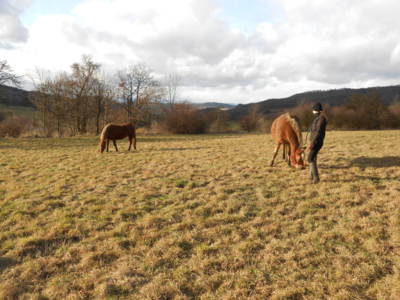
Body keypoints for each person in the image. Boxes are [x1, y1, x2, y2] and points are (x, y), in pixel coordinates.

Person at [308, 102, 327, 183]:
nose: (312, 112)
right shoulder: (317, 118)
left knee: (310, 159)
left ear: (316, 110)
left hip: (317, 142)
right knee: (313, 158)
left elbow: (318, 132)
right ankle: (311, 176)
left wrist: (313, 142)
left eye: (313, 110)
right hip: (314, 141)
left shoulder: (321, 119)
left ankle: (316, 178)